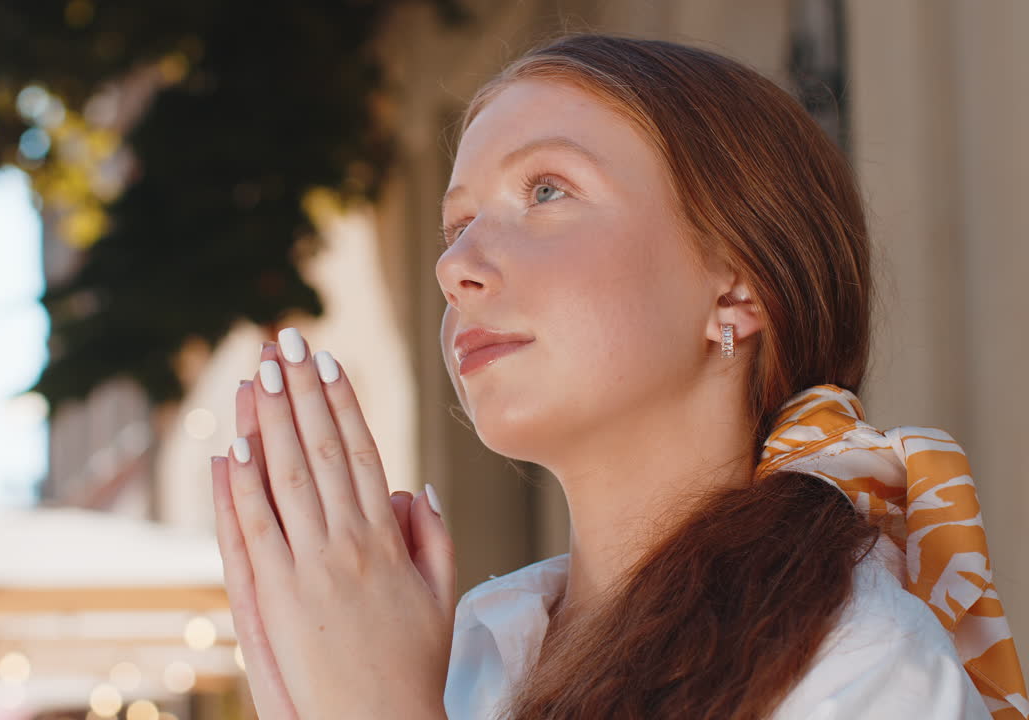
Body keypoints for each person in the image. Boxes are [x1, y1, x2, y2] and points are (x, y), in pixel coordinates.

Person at [434, 32, 1027, 719]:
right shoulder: (479, 657)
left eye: (545, 190)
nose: (456, 267)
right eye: (458, 225)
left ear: (738, 288)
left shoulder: (859, 662)